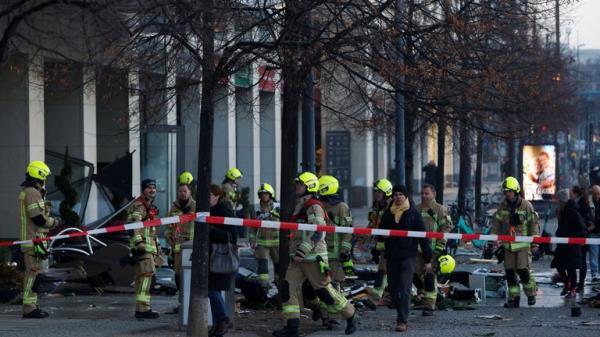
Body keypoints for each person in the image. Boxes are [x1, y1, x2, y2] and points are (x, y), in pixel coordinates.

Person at [273, 172, 358, 337]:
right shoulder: (300, 205)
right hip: (297, 259)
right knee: (287, 289)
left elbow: (318, 232)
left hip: (313, 257)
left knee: (324, 292)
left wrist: (301, 251)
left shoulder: (314, 206)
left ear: (310, 187)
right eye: (297, 184)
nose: (297, 187)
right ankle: (291, 328)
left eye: (300, 184)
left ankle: (351, 314)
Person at [379, 184, 432, 332]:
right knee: (394, 289)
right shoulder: (388, 213)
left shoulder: (413, 213)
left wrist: (428, 259)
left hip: (408, 256)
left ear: (406, 196)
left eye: (401, 194)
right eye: (395, 194)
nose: (398, 197)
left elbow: (423, 237)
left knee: (405, 288)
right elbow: (380, 232)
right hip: (392, 256)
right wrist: (381, 235)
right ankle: (400, 307)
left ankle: (402, 320)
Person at [18, 161, 60, 318]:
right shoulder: (31, 193)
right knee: (32, 274)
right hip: (33, 241)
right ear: (40, 175)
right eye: (45, 177)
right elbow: (38, 219)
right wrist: (54, 222)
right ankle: (29, 308)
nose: (45, 180)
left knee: (35, 275)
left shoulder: (31, 192)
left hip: (35, 240)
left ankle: (32, 305)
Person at [491, 177, 539, 308]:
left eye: (510, 191)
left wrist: (535, 244)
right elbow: (496, 224)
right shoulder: (503, 207)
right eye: (505, 191)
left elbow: (533, 225)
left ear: (516, 191)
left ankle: (531, 294)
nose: (507, 194)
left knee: (523, 271)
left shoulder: (526, 206)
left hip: (523, 246)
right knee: (510, 273)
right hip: (508, 247)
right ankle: (513, 299)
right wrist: (493, 239)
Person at [317, 175, 354, 327]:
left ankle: (335, 316)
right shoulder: (319, 205)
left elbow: (348, 230)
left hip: (336, 254)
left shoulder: (341, 207)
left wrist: (345, 248)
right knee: (323, 283)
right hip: (322, 253)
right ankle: (325, 314)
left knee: (335, 285)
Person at [415, 183, 453, 316]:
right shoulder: (417, 209)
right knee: (416, 275)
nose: (424, 196)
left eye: (427, 193)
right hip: (417, 251)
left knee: (429, 277)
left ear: (434, 194)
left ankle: (430, 306)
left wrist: (439, 248)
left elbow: (445, 229)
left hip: (432, 251)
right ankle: (429, 296)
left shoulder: (440, 210)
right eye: (422, 194)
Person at [208, 184, 239, 337]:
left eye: (209, 195)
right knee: (214, 290)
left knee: (212, 289)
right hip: (213, 256)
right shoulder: (212, 209)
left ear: (217, 195)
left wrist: (211, 231)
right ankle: (217, 324)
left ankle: (222, 320)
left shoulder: (223, 210)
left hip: (220, 255)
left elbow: (232, 235)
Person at [127, 179, 160, 319]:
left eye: (154, 187)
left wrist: (157, 246)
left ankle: (142, 308)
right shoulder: (140, 205)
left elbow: (150, 230)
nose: (152, 190)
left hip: (148, 248)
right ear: (143, 190)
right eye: (149, 187)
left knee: (144, 278)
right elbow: (134, 225)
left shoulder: (149, 206)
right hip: (143, 248)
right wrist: (139, 243)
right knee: (146, 277)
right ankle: (143, 309)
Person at [552, 189, 587, 298]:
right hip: (563, 245)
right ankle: (568, 284)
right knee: (558, 265)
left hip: (571, 245)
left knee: (571, 268)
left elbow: (582, 228)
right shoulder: (563, 211)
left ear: (562, 201)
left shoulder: (572, 211)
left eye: (558, 200)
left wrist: (572, 237)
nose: (557, 202)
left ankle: (572, 289)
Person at [365, 178, 393, 303]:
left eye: (379, 192)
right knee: (386, 269)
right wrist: (361, 236)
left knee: (383, 269)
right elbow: (372, 224)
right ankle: (389, 294)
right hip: (380, 244)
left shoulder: (392, 208)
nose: (376, 194)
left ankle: (376, 297)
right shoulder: (377, 207)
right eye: (375, 192)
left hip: (391, 245)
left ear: (386, 193)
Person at [165, 180, 196, 289]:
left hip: (192, 247)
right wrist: (169, 239)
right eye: (180, 191)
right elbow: (168, 226)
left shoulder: (195, 207)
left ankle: (188, 302)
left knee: (190, 273)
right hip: (177, 248)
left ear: (190, 192)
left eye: (185, 191)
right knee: (178, 274)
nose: (182, 193)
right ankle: (181, 301)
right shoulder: (174, 208)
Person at [249, 182, 280, 290]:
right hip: (261, 242)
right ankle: (264, 287)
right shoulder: (255, 208)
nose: (264, 196)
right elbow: (251, 226)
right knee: (263, 267)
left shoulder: (278, 207)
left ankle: (279, 286)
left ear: (270, 194)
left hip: (277, 242)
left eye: (266, 194)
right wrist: (252, 240)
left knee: (279, 266)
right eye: (262, 194)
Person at [572, 186, 592, 292]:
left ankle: (579, 284)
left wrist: (583, 232)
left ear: (575, 193)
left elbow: (587, 222)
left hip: (581, 237)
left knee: (581, 261)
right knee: (582, 261)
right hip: (583, 236)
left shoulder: (579, 205)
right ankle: (579, 284)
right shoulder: (583, 203)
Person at [590, 185, 600, 281]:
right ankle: (594, 273)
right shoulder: (589, 202)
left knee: (596, 253)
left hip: (595, 229)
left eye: (598, 194)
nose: (597, 196)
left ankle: (597, 272)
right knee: (594, 253)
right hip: (593, 232)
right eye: (595, 194)